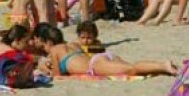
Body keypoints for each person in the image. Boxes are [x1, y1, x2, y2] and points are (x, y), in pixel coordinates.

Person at [35, 22, 176, 77]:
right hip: (102, 58)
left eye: (43, 46)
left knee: (131, 70)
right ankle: (162, 68)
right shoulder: (73, 44)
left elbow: (57, 77)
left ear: (49, 42)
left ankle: (163, 65)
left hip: (95, 66)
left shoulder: (54, 51)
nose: (45, 50)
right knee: (131, 67)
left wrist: (45, 69)